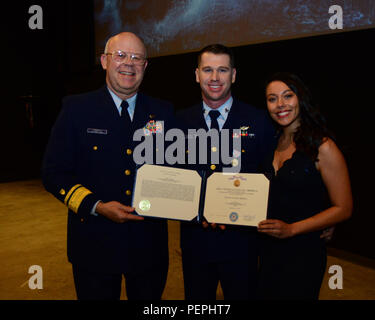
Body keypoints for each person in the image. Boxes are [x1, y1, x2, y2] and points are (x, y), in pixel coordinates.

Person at [42, 32, 175, 300]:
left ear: (145, 66)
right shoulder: (76, 109)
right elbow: (53, 172)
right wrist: (96, 205)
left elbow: (178, 170)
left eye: (137, 58)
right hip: (94, 244)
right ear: (104, 61)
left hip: (148, 245)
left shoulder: (163, 112)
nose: (129, 63)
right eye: (121, 56)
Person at [176, 44, 277, 300]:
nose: (214, 78)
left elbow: (272, 176)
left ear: (233, 75)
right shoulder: (178, 122)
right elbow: (173, 177)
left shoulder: (259, 120)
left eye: (222, 70)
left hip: (241, 243)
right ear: (196, 74)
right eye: (207, 70)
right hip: (195, 241)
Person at [257, 72, 353, 300]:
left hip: (303, 253)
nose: (280, 104)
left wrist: (292, 229)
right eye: (272, 99)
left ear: (301, 98)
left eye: (287, 96)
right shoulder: (269, 142)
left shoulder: (323, 147)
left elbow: (344, 207)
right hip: (267, 251)